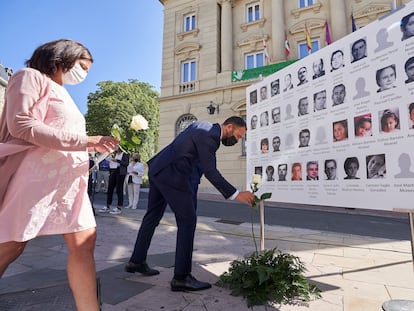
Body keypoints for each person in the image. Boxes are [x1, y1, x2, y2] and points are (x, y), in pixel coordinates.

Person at [0, 39, 118, 311]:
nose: (84, 74)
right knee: (12, 246)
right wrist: (88, 140)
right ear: (64, 57)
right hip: (38, 180)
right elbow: (21, 125)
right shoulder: (28, 77)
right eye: (83, 66)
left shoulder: (64, 92)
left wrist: (93, 146)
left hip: (70, 184)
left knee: (83, 244)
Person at [125, 117, 254, 292]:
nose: (237, 140)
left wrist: (191, 190)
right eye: (238, 136)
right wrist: (236, 194)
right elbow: (210, 171)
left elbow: (191, 160)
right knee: (188, 222)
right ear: (229, 127)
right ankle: (181, 277)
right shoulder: (211, 136)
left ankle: (136, 261)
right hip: (174, 176)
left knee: (152, 217)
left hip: (160, 169)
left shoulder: (201, 125)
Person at [99, 146, 129, 215]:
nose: (115, 148)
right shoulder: (114, 154)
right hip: (113, 170)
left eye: (117, 147)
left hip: (120, 172)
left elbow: (126, 164)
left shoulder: (125, 154)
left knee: (119, 189)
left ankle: (119, 207)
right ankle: (108, 205)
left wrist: (117, 161)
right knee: (110, 188)